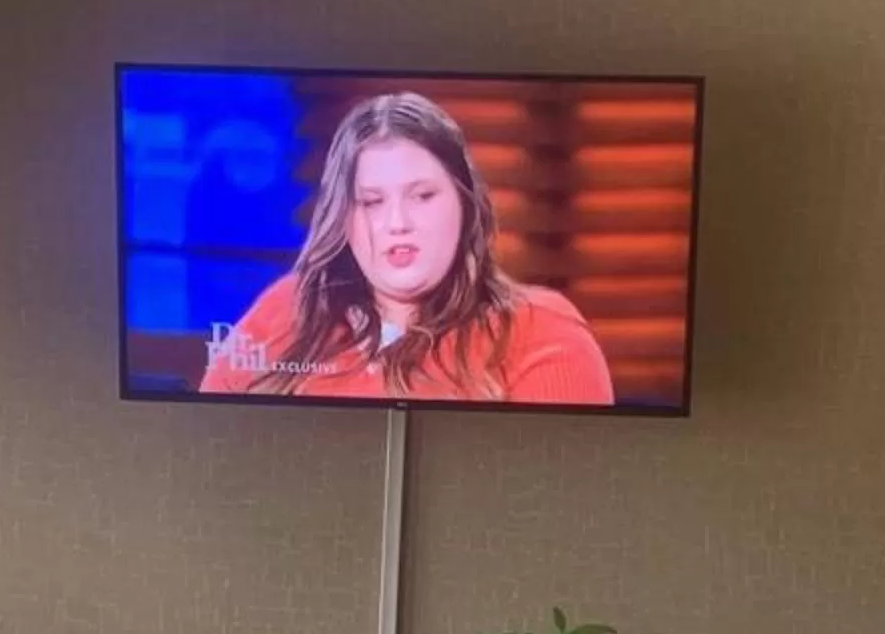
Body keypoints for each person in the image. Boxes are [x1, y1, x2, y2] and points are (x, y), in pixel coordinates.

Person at [199, 90, 614, 403]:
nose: (398, 224)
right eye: (373, 202)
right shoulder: (288, 308)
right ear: (344, 218)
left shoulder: (542, 333)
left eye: (422, 196)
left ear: (465, 205)